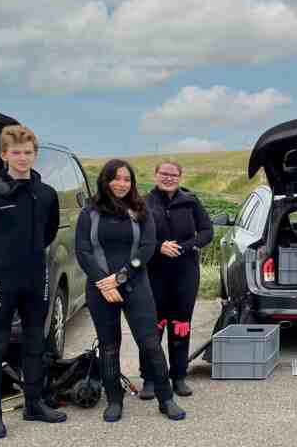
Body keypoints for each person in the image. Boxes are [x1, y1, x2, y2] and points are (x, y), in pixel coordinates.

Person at [0, 125, 67, 439]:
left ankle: (34, 404)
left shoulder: (46, 193)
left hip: (36, 277)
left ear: (35, 155)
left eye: (28, 152)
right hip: (1, 279)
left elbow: (49, 231)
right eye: (16, 152)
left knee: (36, 342)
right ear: (4, 154)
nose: (23, 158)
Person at [75, 160, 186, 422]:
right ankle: (114, 401)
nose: (122, 184)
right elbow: (83, 251)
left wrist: (119, 278)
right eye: (116, 178)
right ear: (105, 180)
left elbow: (147, 248)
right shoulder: (88, 212)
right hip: (101, 289)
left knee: (150, 343)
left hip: (135, 285)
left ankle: (166, 398)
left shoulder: (140, 209)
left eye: (127, 179)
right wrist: (104, 282)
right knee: (109, 345)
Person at [138, 160, 213, 399]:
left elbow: (206, 232)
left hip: (185, 272)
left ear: (179, 177)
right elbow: (136, 235)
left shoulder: (190, 201)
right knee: (153, 326)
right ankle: (149, 378)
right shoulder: (144, 202)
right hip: (154, 272)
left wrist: (184, 247)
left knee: (181, 325)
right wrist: (159, 247)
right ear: (155, 174)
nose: (168, 178)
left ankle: (178, 376)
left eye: (173, 174)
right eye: (164, 173)